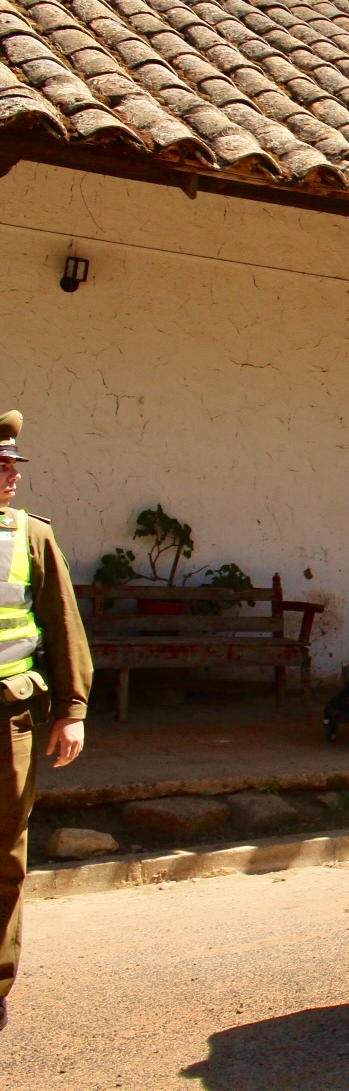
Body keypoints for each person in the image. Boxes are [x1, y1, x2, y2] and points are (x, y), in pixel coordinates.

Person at [0, 411, 90, 1033]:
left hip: (11, 719)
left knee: (3, 851)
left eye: (12, 467)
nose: (11, 477)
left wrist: (72, 710)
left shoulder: (31, 537)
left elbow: (62, 627)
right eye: (0, 467)